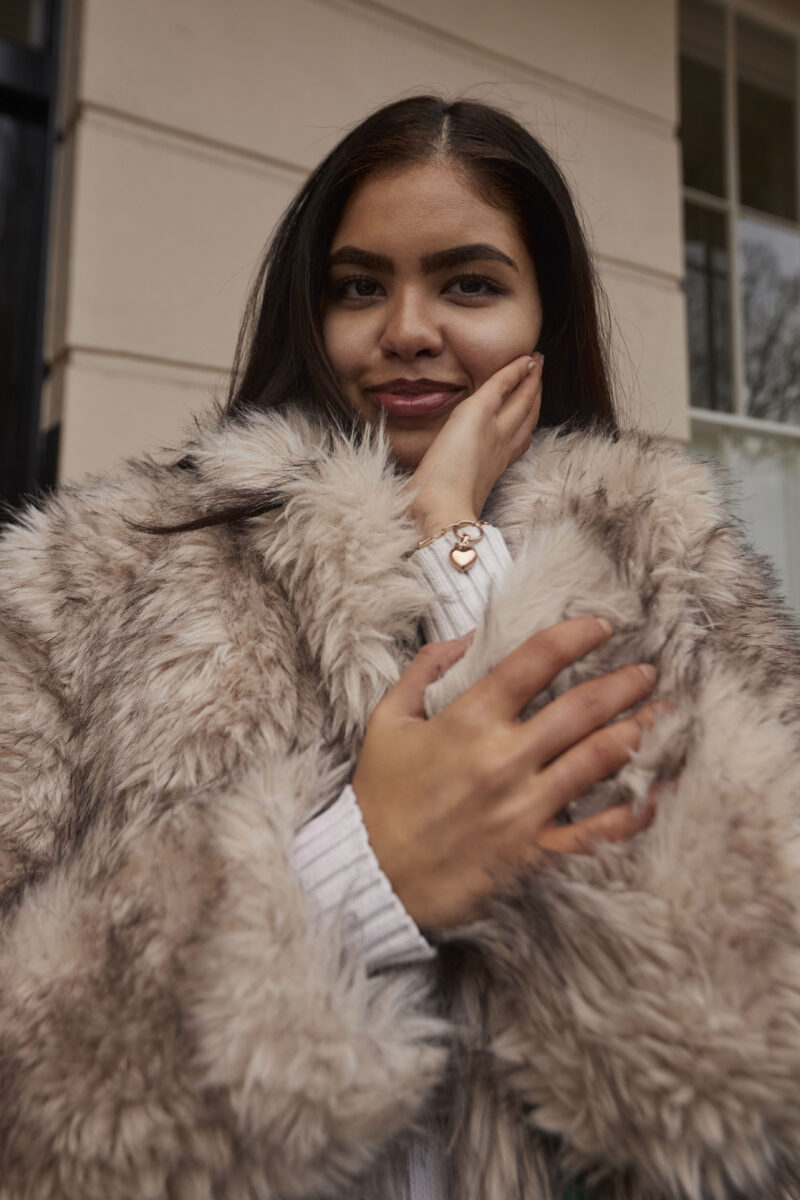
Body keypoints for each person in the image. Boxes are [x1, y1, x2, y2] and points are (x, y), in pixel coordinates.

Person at [1, 94, 800, 1200]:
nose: (407, 328)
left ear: (543, 320)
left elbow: (750, 1065)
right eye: (358, 285)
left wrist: (456, 544)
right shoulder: (96, 578)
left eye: (468, 282)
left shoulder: (675, 567)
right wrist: (359, 876)